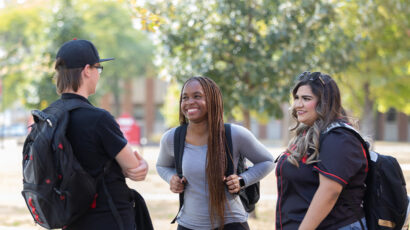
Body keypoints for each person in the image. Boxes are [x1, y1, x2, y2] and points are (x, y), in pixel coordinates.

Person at [156, 76, 275, 230]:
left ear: (213, 100)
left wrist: (242, 180)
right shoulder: (172, 138)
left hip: (231, 224)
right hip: (188, 225)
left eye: (197, 96)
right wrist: (171, 178)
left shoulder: (234, 134)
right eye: (185, 98)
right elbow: (162, 165)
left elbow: (267, 161)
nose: (189, 102)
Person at [54, 39, 148, 230]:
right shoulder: (98, 118)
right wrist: (142, 165)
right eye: (99, 68)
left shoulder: (50, 117)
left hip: (70, 219)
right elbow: (134, 167)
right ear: (87, 70)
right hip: (109, 218)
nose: (98, 74)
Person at [275, 71, 368, 230]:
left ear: (324, 102)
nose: (298, 104)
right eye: (296, 98)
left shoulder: (340, 138)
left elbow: (329, 192)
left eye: (306, 99)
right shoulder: (309, 134)